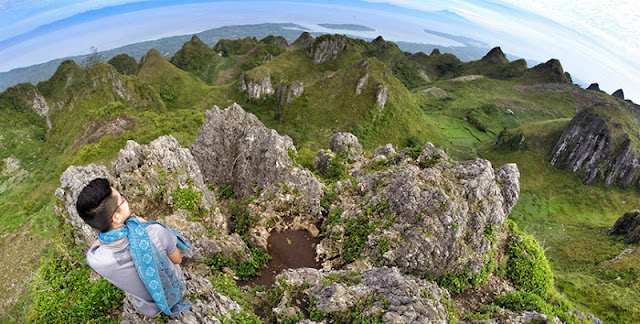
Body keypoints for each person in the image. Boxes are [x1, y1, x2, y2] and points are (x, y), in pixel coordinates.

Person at [75, 178, 191, 317]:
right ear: (116, 217)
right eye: (122, 198)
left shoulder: (95, 259)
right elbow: (177, 259)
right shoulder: (154, 232)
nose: (125, 199)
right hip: (175, 287)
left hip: (147, 308)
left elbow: (100, 241)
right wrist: (144, 225)